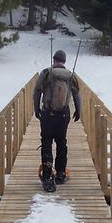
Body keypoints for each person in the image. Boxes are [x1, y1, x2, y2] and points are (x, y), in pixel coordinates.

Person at [33, 49, 82, 192]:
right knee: (61, 141)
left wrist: (37, 110)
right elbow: (77, 95)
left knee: (46, 142)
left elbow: (36, 92)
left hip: (48, 114)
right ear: (64, 61)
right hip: (63, 115)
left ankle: (48, 175)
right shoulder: (70, 76)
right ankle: (60, 173)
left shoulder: (46, 73)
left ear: (54, 60)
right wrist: (78, 111)